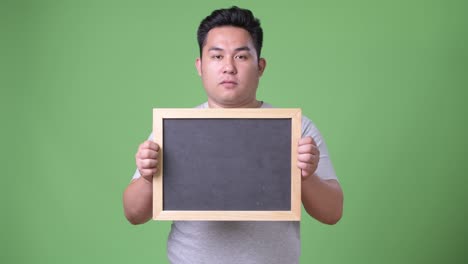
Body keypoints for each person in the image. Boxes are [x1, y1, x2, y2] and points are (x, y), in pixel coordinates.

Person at [123, 6, 343, 264]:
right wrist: (149, 178)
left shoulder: (296, 128)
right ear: (200, 66)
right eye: (216, 57)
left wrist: (307, 176)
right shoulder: (173, 129)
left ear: (260, 66)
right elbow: (133, 214)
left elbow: (332, 212)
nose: (228, 67)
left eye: (241, 57)